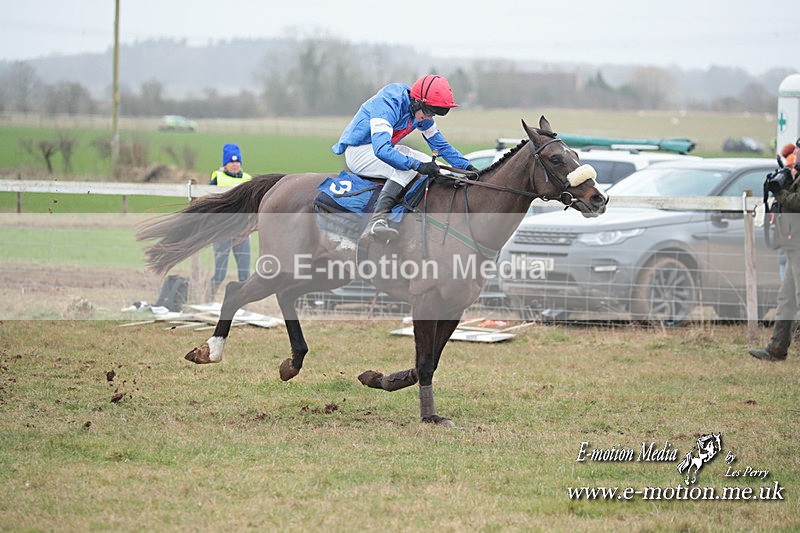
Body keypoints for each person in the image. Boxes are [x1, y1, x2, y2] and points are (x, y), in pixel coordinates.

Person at [332, 74, 477, 242]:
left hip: (382, 149)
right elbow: (382, 150)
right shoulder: (389, 103)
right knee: (408, 166)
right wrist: (417, 166)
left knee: (437, 166)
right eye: (429, 112)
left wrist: (467, 168)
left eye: (434, 114)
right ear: (417, 101)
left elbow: (441, 147)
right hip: (359, 152)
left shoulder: (420, 111)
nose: (429, 118)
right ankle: (377, 220)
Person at [750, 138, 800, 361]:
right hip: (793, 243)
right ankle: (776, 349)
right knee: (787, 299)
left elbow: (797, 202)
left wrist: (779, 192)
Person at [209, 143, 253, 299]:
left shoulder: (248, 179)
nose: (235, 165)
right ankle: (209, 298)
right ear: (225, 164)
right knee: (220, 273)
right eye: (231, 162)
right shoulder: (217, 178)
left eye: (237, 162)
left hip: (242, 232)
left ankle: (243, 303)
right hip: (223, 231)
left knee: (245, 275)